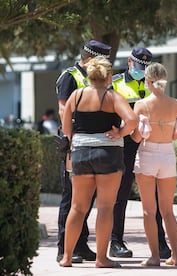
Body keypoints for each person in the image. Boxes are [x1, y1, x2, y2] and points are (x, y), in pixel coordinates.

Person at [59, 56, 138, 268]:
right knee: (105, 207)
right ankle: (102, 258)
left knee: (77, 207)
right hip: (108, 153)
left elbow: (66, 128)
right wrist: (120, 132)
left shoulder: (76, 95)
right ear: (109, 75)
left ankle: (66, 257)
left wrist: (79, 137)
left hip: (81, 153)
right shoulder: (113, 96)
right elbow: (132, 120)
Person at [110, 47, 171, 259]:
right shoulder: (115, 82)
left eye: (145, 67)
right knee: (121, 193)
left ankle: (161, 242)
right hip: (124, 144)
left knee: (153, 195)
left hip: (148, 144)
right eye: (138, 65)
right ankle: (115, 241)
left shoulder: (151, 83)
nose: (141, 70)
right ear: (129, 62)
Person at [55, 40, 111, 263]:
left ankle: (81, 244)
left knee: (88, 197)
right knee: (71, 198)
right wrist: (75, 135)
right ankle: (64, 247)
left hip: (94, 142)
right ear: (90, 58)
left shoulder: (96, 77)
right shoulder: (70, 76)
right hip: (75, 141)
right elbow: (62, 109)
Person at [131, 62, 177, 266]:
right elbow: (176, 133)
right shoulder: (175, 103)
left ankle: (154, 256)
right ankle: (176, 255)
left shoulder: (141, 104)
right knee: (168, 210)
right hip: (168, 153)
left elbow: (136, 137)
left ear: (149, 81)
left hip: (148, 152)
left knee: (148, 211)